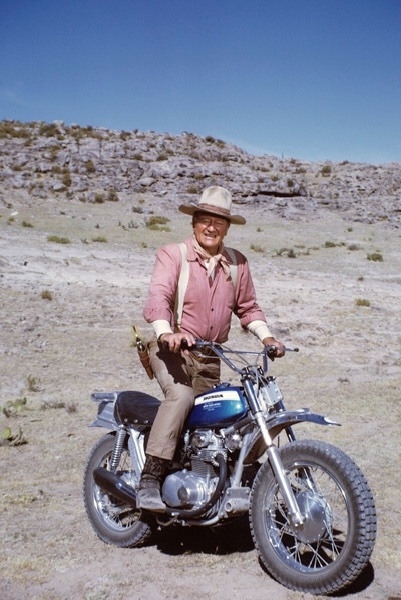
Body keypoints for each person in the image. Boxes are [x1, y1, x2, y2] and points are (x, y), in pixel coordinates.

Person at [137, 186, 285, 512]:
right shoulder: (173, 255)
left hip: (210, 354)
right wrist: (166, 332)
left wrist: (267, 338)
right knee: (181, 397)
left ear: (227, 227)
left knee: (219, 417)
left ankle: (209, 483)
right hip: (172, 349)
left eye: (219, 222)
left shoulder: (237, 264)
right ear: (194, 222)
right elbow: (159, 296)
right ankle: (150, 477)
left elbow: (248, 308)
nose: (211, 227)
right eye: (205, 220)